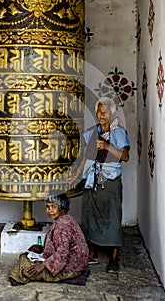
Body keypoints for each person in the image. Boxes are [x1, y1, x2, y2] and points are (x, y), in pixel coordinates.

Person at [69, 97, 130, 274]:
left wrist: (107, 146)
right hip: (92, 179)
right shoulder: (93, 131)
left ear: (112, 114)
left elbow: (125, 157)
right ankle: (93, 253)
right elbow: (87, 157)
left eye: (105, 112)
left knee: (112, 217)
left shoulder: (118, 132)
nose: (101, 115)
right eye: (99, 112)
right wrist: (77, 175)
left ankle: (114, 258)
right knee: (90, 216)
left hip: (110, 182)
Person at [9, 192, 89, 286]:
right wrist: (44, 249)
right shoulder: (66, 219)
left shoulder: (62, 225)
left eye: (53, 207)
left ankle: (17, 279)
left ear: (62, 208)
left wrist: (43, 265)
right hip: (76, 264)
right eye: (48, 207)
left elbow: (63, 252)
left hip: (70, 269)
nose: (50, 210)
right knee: (27, 255)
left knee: (23, 267)